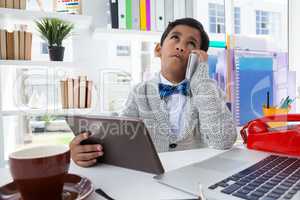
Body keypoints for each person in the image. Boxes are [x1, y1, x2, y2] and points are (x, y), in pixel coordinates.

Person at [70, 18, 237, 167]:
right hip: (152, 182)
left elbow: (223, 141)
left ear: (200, 57)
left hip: (198, 177)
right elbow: (122, 140)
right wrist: (85, 151)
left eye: (191, 44)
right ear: (158, 49)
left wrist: (201, 78)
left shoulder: (209, 91)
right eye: (175, 38)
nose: (181, 46)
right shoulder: (139, 92)